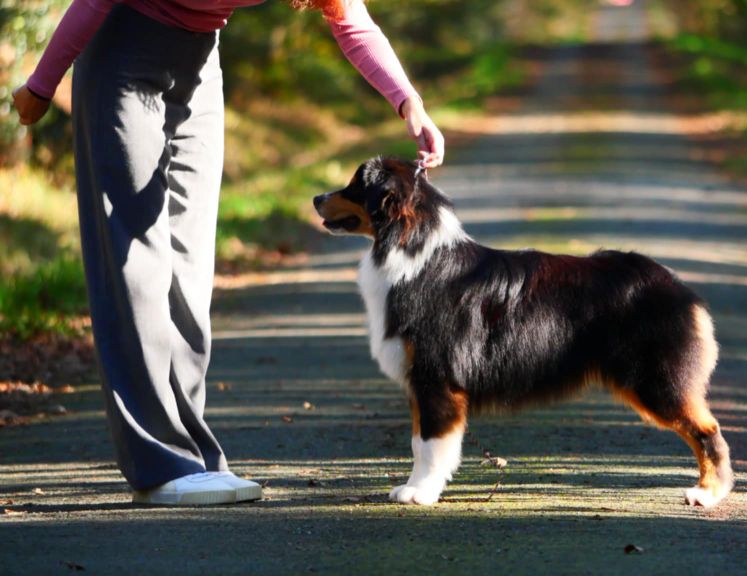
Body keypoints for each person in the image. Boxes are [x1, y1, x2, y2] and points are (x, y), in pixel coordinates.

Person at [11, 0, 444, 506]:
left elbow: (351, 21)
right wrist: (42, 84)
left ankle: (190, 451)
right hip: (123, 51)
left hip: (200, 62)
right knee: (135, 256)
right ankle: (160, 462)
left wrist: (407, 100)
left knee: (191, 263)